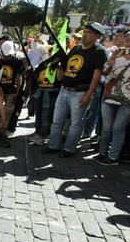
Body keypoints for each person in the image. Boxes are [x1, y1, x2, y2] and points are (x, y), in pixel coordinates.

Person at [44, 22, 107, 158]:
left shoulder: (99, 52)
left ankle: (69, 149)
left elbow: (97, 75)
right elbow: (65, 69)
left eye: (89, 32)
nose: (85, 34)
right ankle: (53, 145)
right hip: (64, 90)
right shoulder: (75, 48)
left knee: (76, 124)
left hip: (80, 93)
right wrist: (60, 70)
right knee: (57, 121)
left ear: (97, 36)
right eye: (85, 31)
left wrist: (88, 95)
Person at [94, 30, 130, 165]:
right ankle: (102, 153)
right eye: (127, 39)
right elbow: (104, 72)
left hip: (129, 101)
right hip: (109, 96)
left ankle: (113, 157)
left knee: (118, 129)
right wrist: (112, 59)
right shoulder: (115, 54)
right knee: (107, 128)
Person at [28, 53, 62, 146]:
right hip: (40, 94)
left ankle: (42, 136)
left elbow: (60, 79)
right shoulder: (43, 64)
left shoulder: (60, 65)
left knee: (46, 117)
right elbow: (36, 77)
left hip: (51, 95)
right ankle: (38, 133)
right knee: (38, 115)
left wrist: (59, 68)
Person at [0, 41, 24, 136]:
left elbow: (18, 77)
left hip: (11, 90)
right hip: (0, 90)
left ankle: (2, 131)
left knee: (8, 111)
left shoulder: (17, 61)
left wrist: (17, 91)